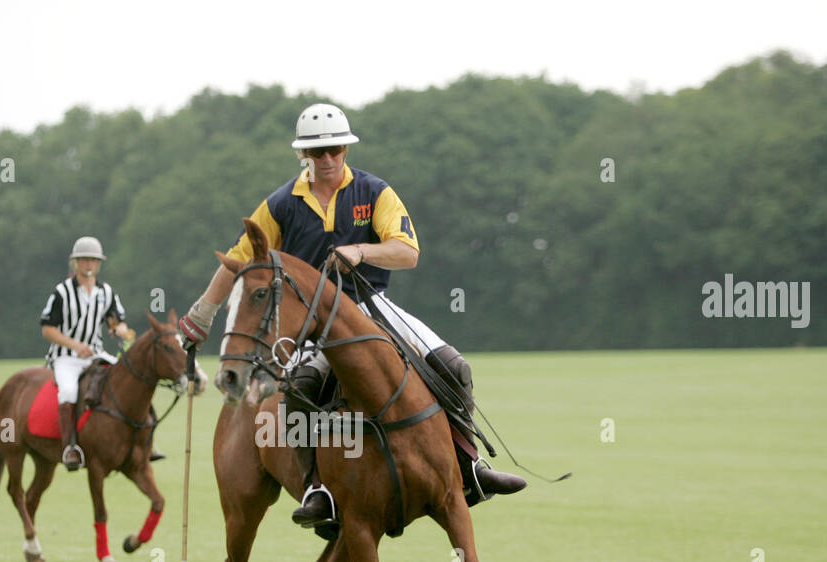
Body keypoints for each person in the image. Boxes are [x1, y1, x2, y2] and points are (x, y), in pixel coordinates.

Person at [179, 103, 525, 527]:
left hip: (373, 306)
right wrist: (202, 314)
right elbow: (239, 260)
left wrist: (361, 251)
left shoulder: (374, 192)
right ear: (303, 154)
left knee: (453, 365)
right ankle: (316, 488)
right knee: (302, 386)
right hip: (310, 323)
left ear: (346, 149)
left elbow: (407, 252)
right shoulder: (282, 203)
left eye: (335, 150)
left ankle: (469, 467)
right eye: (317, 152)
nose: (327, 159)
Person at [40, 235, 139, 470]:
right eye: (84, 260)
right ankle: (70, 447)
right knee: (69, 390)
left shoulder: (106, 292)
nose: (88, 265)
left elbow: (117, 320)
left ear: (99, 264)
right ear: (75, 263)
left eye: (93, 260)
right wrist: (74, 345)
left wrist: (121, 330)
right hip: (66, 357)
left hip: (96, 354)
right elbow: (47, 329)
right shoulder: (62, 292)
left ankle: (142, 442)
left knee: (130, 380)